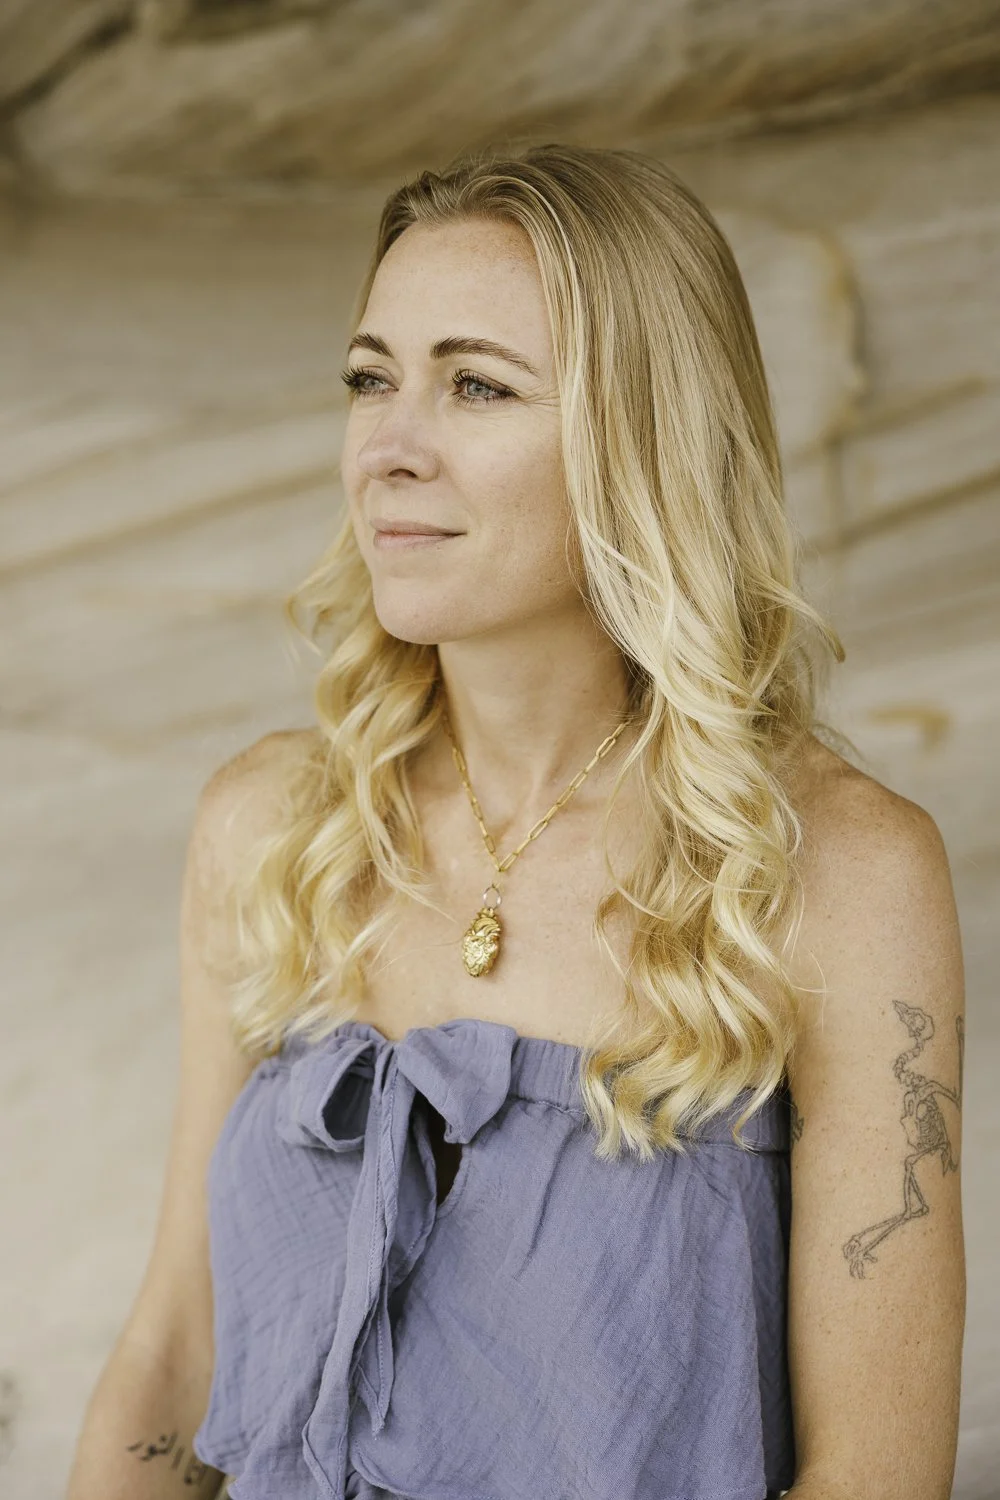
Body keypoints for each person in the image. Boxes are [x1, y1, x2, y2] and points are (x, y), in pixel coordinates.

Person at [65, 143, 966, 1500]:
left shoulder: (835, 871)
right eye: (371, 379)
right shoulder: (273, 828)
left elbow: (876, 1476)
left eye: (476, 385)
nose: (389, 448)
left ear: (643, 438)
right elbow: (171, 1357)